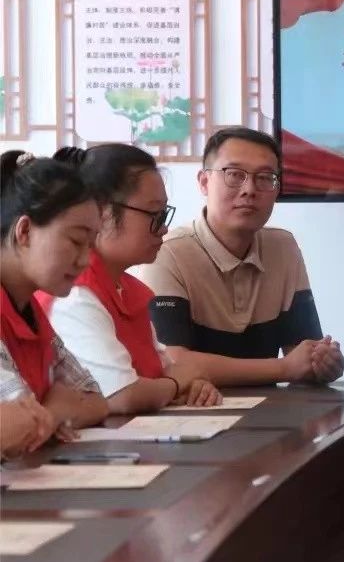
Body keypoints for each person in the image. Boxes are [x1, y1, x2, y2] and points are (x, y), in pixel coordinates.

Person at [134, 127, 344, 384]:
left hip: (272, 406)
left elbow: (302, 355)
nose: (249, 190)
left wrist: (322, 361)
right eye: (234, 174)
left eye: (265, 177)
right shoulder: (168, 252)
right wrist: (282, 369)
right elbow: (174, 361)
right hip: (193, 406)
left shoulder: (283, 248)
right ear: (204, 182)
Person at [43, 144, 222, 414]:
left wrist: (192, 385)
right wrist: (176, 384)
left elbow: (164, 370)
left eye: (164, 214)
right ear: (101, 213)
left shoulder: (124, 288)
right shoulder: (75, 295)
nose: (164, 228)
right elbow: (122, 395)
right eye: (154, 215)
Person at [0, 151, 108, 441]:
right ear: (24, 231)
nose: (85, 260)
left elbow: (95, 399)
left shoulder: (29, 308)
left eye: (90, 245)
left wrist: (50, 414)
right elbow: (20, 427)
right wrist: (57, 409)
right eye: (76, 240)